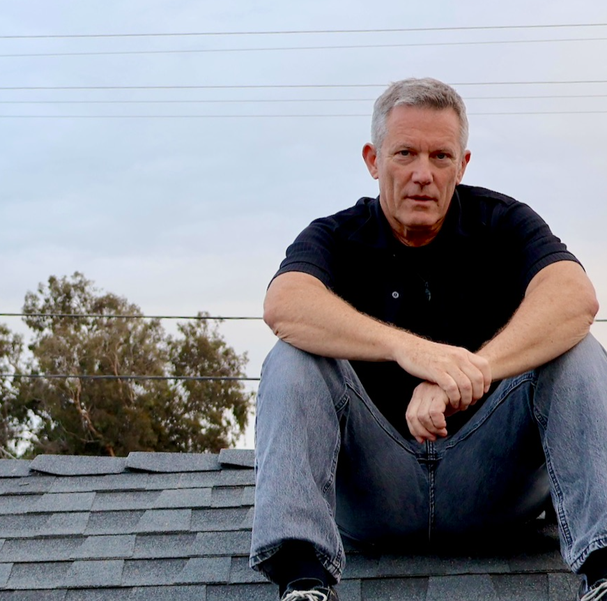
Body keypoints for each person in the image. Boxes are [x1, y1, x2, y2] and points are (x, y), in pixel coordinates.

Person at [249, 77, 606, 601]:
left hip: (494, 489)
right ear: (373, 160)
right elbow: (284, 304)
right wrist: (412, 351)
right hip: (374, 496)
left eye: (441, 156)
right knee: (292, 357)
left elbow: (575, 298)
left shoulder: (503, 222)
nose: (423, 174)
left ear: (462, 166)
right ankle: (303, 579)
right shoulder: (335, 235)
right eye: (405, 154)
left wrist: (463, 375)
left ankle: (603, 568)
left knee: (578, 351)